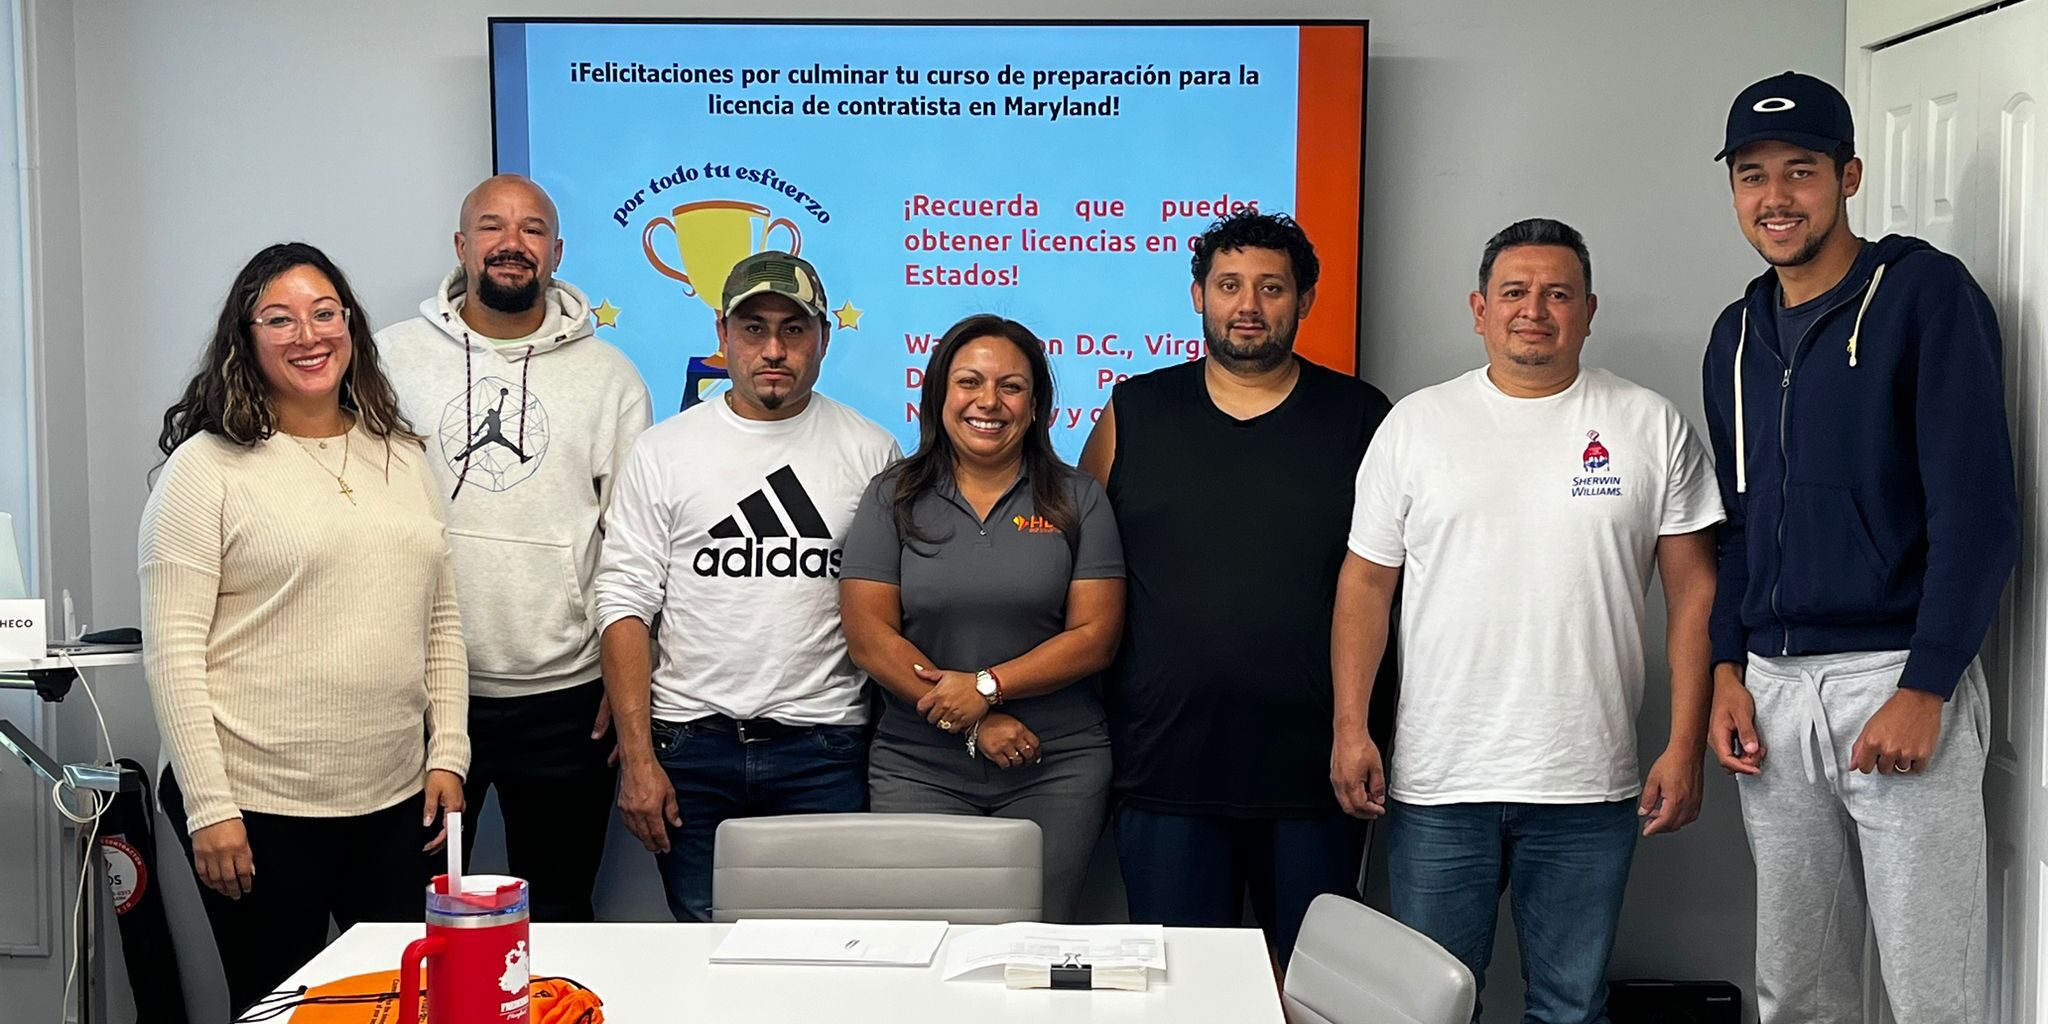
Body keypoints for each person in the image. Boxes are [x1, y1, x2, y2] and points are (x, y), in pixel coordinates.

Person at [1334, 218, 1722, 1022]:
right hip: (1440, 781)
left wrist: (1686, 746)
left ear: (1588, 309)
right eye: (1514, 292)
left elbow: (1696, 596)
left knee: (1570, 1007)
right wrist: (1350, 727)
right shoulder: (1415, 426)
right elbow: (1366, 586)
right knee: (1428, 1009)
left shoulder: (1650, 426)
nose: (1533, 310)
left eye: (1557, 293)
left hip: (1589, 782)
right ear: (1479, 309)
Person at [1702, 72, 2017, 1024]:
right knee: (1797, 991)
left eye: (1800, 172)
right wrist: (1727, 667)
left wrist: (1926, 686)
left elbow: (1979, 513)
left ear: (1849, 175)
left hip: (1894, 678)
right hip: (1773, 691)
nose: (1775, 198)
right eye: (1752, 176)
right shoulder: (1737, 335)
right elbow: (1744, 526)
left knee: (1931, 993)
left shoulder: (1923, 294)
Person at [140, 242, 468, 1012]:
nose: (308, 335)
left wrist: (448, 750)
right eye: (279, 319)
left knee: (398, 1003)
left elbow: (443, 619)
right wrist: (210, 808)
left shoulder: (401, 454)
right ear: (246, 338)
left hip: (393, 799)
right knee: (277, 1006)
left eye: (325, 313)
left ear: (350, 324)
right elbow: (173, 652)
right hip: (257, 803)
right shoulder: (208, 468)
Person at [1079, 211, 1392, 961]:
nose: (1247, 304)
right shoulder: (1134, 411)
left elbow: (1392, 583)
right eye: (1229, 285)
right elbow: (1081, 569)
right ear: (1198, 296)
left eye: (1270, 287)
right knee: (1184, 993)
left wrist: (1360, 732)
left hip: (1316, 771)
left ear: (1305, 300)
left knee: (1311, 993)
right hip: (1165, 765)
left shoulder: (1362, 417)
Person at [593, 251, 899, 921]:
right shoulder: (664, 450)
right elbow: (623, 601)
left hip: (823, 748)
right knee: (709, 954)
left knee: (825, 952)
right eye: (753, 328)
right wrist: (639, 762)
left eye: (794, 329)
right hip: (690, 749)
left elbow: (890, 611)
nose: (773, 349)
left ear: (823, 337)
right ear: (721, 333)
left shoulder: (871, 452)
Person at [378, 175, 652, 922]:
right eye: (492, 227)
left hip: (564, 698)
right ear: (461, 247)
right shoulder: (388, 360)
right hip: (421, 695)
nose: (511, 244)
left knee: (560, 913)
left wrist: (625, 677)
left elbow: (632, 546)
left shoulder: (612, 378)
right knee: (404, 914)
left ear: (556, 252)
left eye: (532, 230)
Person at [840, 315, 1124, 922]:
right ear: (940, 392)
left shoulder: (1079, 499)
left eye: (1012, 386)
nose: (988, 402)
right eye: (969, 381)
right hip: (918, 766)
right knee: (928, 944)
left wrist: (986, 688)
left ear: (1037, 403)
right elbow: (868, 636)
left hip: (1055, 765)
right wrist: (971, 723)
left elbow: (1095, 638)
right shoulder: (891, 495)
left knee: (1031, 947)